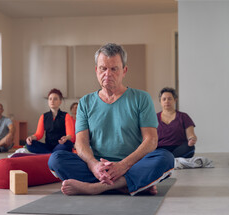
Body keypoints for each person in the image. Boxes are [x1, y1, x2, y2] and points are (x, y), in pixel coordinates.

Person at [48, 43, 174, 196]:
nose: (107, 74)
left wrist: (123, 166)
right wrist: (94, 165)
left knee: (165, 158)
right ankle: (128, 184)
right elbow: (81, 142)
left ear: (124, 71)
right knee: (56, 159)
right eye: (103, 68)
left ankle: (97, 187)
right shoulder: (85, 102)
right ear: (96, 70)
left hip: (132, 164)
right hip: (97, 168)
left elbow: (151, 140)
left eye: (114, 69)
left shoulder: (141, 98)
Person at [26, 88, 75, 154]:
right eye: (50, 99)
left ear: (60, 102)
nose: (52, 101)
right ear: (48, 101)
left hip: (61, 145)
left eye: (55, 99)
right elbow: (38, 134)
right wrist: (31, 137)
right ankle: (52, 154)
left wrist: (66, 138)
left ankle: (48, 154)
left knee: (68, 144)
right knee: (29, 144)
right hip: (48, 146)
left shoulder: (66, 115)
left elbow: (70, 135)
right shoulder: (43, 116)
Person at [157, 87, 197, 158]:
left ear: (175, 100)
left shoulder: (184, 116)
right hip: (160, 149)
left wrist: (192, 139)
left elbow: (191, 135)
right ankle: (171, 159)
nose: (167, 101)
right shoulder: (154, 117)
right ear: (160, 101)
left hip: (179, 148)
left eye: (169, 99)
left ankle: (168, 159)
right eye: (164, 99)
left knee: (190, 148)